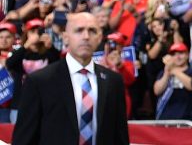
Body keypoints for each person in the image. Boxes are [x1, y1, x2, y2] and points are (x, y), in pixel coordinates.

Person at [12, 12, 130, 145]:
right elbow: (24, 139)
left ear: (99, 38)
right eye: (79, 30)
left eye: (92, 31)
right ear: (65, 37)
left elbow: (120, 137)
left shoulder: (113, 81)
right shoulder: (40, 81)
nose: (86, 36)